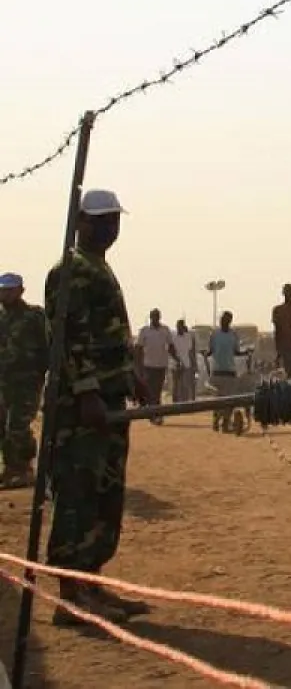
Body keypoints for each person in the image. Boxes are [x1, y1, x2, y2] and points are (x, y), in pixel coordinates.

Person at [44, 188, 154, 625]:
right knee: (78, 494)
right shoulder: (69, 270)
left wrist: (131, 376)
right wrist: (87, 391)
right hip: (80, 408)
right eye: (101, 220)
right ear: (80, 222)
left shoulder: (98, 268)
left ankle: (91, 583)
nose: (110, 227)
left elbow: (108, 334)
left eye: (114, 220)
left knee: (105, 495)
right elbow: (69, 336)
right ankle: (70, 596)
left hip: (108, 402)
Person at [0, 272, 48, 490]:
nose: (5, 294)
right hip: (4, 381)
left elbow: (48, 344)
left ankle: (24, 469)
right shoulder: (2, 319)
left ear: (20, 291)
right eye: (3, 290)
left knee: (17, 426)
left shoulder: (34, 316)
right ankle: (11, 468)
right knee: (3, 426)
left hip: (27, 381)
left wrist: (45, 372)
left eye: (9, 290)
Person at [133, 308, 175, 425]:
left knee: (158, 390)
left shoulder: (165, 330)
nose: (155, 318)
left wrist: (177, 359)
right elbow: (138, 348)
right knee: (151, 391)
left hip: (161, 365)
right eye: (154, 316)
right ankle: (154, 415)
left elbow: (171, 346)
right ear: (151, 317)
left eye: (157, 316)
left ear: (159, 317)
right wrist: (138, 365)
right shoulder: (144, 331)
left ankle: (155, 413)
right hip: (148, 366)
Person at [207, 311, 240, 433]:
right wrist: (205, 353)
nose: (222, 321)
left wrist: (246, 353)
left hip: (230, 371)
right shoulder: (214, 334)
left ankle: (225, 422)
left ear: (229, 321)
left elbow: (236, 351)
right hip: (217, 371)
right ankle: (216, 420)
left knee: (230, 400)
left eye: (225, 319)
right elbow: (211, 350)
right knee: (218, 398)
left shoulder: (233, 335)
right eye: (221, 319)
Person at [170, 318, 197, 403]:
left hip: (186, 364)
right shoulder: (173, 337)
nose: (179, 328)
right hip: (175, 365)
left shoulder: (188, 337)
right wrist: (177, 361)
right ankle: (175, 403)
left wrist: (194, 364)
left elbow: (191, 351)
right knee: (176, 386)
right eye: (178, 327)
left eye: (181, 326)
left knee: (185, 386)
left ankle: (184, 404)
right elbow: (170, 350)